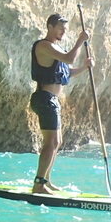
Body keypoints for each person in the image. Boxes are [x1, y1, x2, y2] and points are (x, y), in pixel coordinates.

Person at [29, 13, 94, 194]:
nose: (63, 32)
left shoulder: (56, 49)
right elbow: (69, 58)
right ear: (50, 27)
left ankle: (46, 180)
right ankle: (39, 184)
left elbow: (67, 71)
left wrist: (85, 67)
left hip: (51, 100)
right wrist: (80, 41)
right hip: (44, 98)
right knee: (51, 142)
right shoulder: (44, 46)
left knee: (56, 142)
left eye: (65, 29)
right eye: (60, 28)